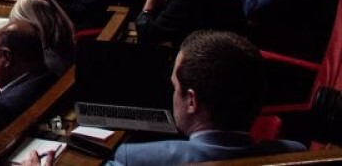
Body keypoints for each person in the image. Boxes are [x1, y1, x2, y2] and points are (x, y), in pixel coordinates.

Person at [107, 31, 305, 165]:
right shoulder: (297, 155)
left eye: (175, 86)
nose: (173, 94)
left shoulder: (128, 158)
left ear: (192, 101)